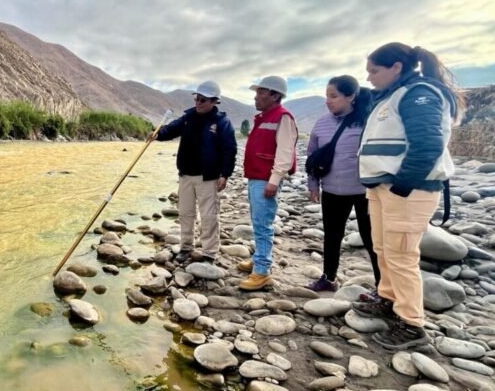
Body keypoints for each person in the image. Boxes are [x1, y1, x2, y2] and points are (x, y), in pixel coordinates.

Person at [351, 42, 464, 350]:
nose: (370, 77)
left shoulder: (419, 94)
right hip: (382, 187)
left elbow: (428, 143)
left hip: (405, 189)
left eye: (375, 71)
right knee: (383, 248)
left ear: (396, 67)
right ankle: (388, 297)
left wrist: (404, 184)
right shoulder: (393, 95)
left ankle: (411, 323)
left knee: (401, 255)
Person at [306, 76, 379, 292]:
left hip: (366, 191)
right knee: (332, 236)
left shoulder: (368, 121)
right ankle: (329, 278)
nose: (328, 101)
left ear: (351, 97)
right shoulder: (322, 123)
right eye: (327, 96)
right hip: (332, 190)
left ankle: (383, 287)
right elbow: (312, 155)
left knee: (372, 239)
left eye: (334, 96)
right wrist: (313, 184)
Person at [154, 81, 237, 263]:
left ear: (214, 101)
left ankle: (209, 253)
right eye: (197, 99)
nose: (198, 103)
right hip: (185, 175)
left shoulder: (222, 122)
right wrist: (157, 133)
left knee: (208, 216)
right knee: (185, 213)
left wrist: (225, 174)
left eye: (203, 100)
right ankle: (186, 247)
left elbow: (229, 150)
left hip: (208, 177)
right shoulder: (188, 117)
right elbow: (170, 130)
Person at [237, 76, 298, 290]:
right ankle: (259, 259)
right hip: (257, 177)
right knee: (258, 220)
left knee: (263, 224)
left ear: (275, 95)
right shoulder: (265, 117)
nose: (256, 97)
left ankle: (262, 271)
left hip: (265, 179)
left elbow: (285, 152)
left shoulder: (283, 118)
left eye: (261, 93)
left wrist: (274, 180)